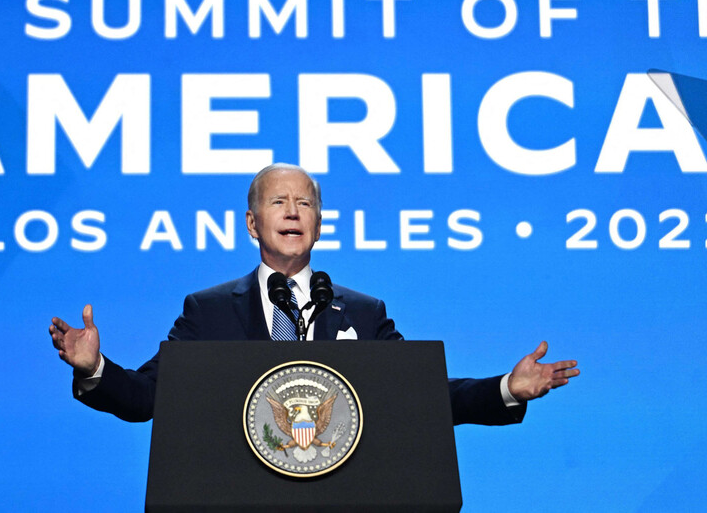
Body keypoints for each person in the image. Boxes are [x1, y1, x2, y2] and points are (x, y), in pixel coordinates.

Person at [49, 163, 579, 425]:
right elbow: (148, 398)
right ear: (254, 225)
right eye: (279, 202)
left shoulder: (364, 313)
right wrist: (94, 367)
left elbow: (418, 395)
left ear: (319, 225)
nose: (293, 211)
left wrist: (505, 388)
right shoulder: (208, 311)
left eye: (304, 204)